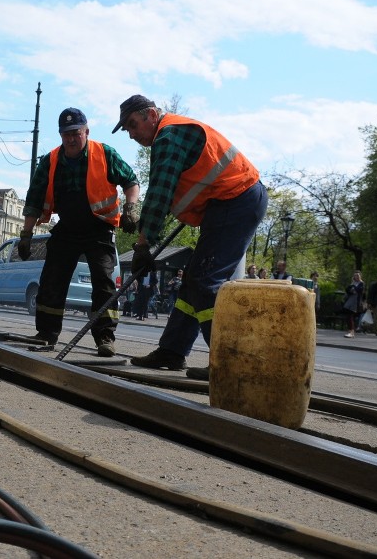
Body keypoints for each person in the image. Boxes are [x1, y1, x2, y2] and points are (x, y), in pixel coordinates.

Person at [113, 95, 267, 379]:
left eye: (133, 125)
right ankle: (172, 351)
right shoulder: (172, 133)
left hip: (237, 200)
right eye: (127, 130)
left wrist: (143, 245)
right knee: (192, 283)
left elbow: (160, 194)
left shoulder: (169, 136)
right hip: (229, 203)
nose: (132, 134)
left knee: (206, 282)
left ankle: (228, 361)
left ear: (150, 114)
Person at [20, 108, 140, 357]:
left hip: (99, 227)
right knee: (52, 279)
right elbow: (34, 198)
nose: (71, 139)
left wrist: (131, 208)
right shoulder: (51, 160)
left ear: (86, 131)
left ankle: (104, 336)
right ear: (61, 136)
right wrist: (26, 234)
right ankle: (46, 334)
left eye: (76, 133)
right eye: (66, 135)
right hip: (68, 227)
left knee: (104, 282)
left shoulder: (105, 154)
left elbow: (131, 181)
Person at [342, 271, 365, 338]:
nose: (356, 277)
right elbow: (347, 289)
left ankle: (351, 331)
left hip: (356, 302)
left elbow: (358, 290)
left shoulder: (361, 283)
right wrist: (352, 289)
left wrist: (353, 289)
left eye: (358, 275)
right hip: (350, 301)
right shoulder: (353, 283)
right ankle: (351, 331)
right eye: (355, 275)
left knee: (351, 316)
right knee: (349, 316)